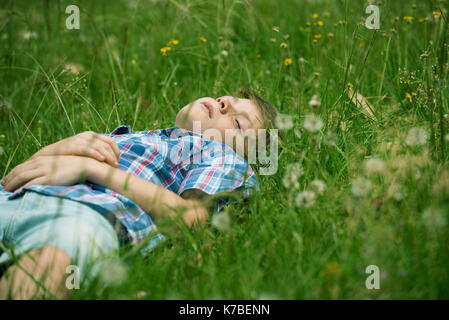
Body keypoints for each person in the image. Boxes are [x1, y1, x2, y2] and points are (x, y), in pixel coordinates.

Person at [0, 88, 279, 299]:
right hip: (12, 196)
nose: (224, 103)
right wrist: (64, 147)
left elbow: (192, 219)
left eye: (238, 123)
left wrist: (92, 168)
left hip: (88, 215)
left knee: (50, 263)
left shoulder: (225, 157)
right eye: (226, 100)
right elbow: (25, 171)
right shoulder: (139, 138)